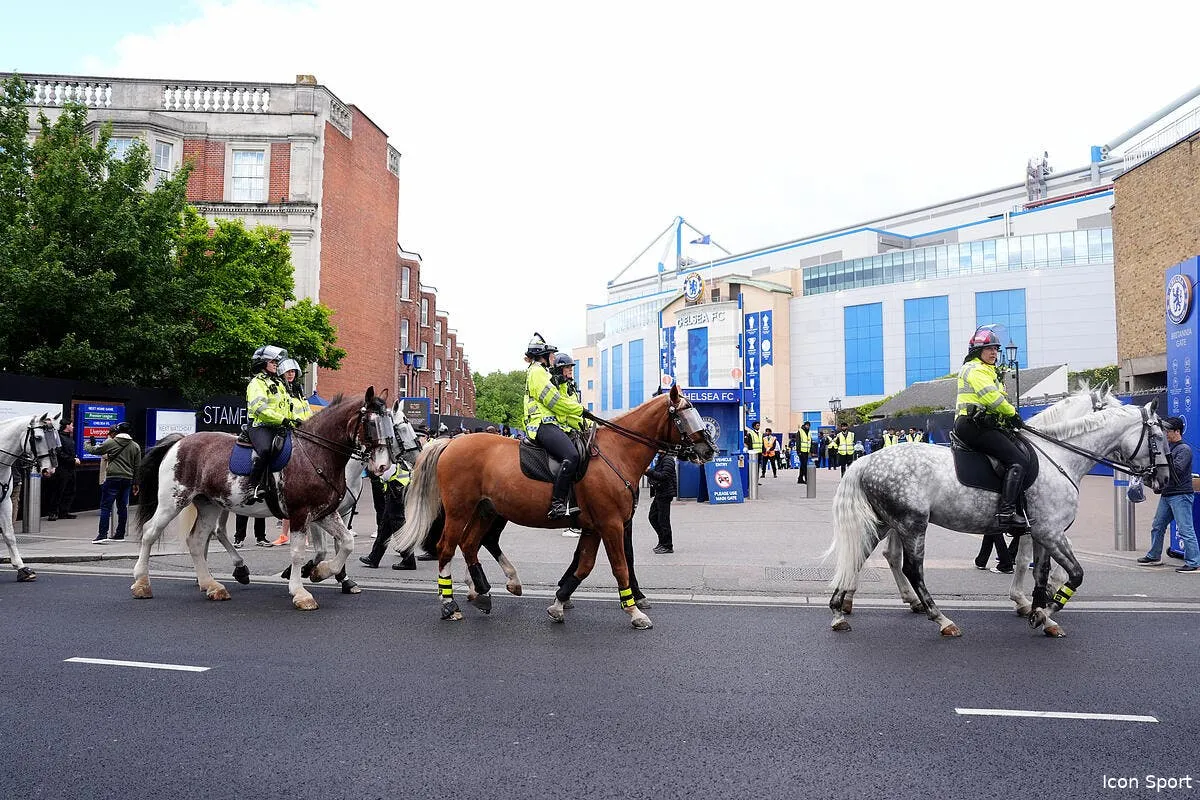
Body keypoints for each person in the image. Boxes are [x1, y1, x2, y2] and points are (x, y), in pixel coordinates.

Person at [953, 325, 1031, 530]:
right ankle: (1006, 513)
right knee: (1018, 460)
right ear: (978, 351)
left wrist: (1007, 419)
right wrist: (1012, 414)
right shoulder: (974, 369)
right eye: (989, 349)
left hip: (984, 423)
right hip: (972, 425)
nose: (994, 353)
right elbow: (992, 399)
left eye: (996, 349)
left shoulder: (990, 371)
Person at [523, 334, 585, 520]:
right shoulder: (537, 372)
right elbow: (555, 402)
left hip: (549, 423)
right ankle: (557, 503)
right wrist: (581, 410)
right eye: (551, 354)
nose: (553, 358)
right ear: (543, 355)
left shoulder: (542, 372)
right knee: (571, 456)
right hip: (541, 424)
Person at [1137, 416, 1200, 572]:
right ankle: (1154, 556)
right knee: (1157, 526)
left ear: (1177, 431)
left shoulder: (1184, 449)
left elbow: (1176, 471)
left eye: (1168, 431)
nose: (1165, 434)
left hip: (1181, 495)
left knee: (1186, 529)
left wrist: (1164, 458)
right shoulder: (1170, 448)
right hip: (1167, 494)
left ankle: (1193, 562)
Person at [269, 358, 310, 546]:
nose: (291, 374)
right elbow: (284, 411)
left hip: (303, 433)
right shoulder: (281, 389)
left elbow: (307, 413)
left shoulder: (300, 392)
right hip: (288, 431)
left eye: (294, 372)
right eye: (288, 372)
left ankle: (302, 533)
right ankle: (284, 534)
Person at [245, 344, 291, 501]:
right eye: (273, 361)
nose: (276, 364)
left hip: (278, 426)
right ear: (262, 363)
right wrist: (282, 419)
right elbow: (259, 408)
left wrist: (294, 420)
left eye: (276, 362)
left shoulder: (279, 384)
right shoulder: (256, 383)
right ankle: (252, 486)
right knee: (265, 449)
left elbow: (286, 406)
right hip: (260, 426)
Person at [84, 421, 141, 543]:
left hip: (112, 478)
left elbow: (95, 451)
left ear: (118, 431)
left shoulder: (111, 442)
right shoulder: (135, 446)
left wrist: (87, 444)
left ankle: (102, 534)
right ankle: (120, 534)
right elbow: (137, 466)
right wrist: (136, 483)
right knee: (122, 507)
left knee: (105, 507)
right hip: (127, 479)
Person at [359, 460, 414, 569]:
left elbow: (381, 473)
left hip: (396, 490)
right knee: (385, 526)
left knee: (397, 525)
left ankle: (409, 560)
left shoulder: (387, 453)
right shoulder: (395, 452)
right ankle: (374, 558)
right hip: (397, 489)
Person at [47, 420, 80, 521]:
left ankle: (64, 512)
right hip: (62, 468)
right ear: (67, 426)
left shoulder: (69, 438)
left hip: (71, 468)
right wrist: (72, 460)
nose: (73, 427)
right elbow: (59, 453)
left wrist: (74, 458)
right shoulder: (59, 437)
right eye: (72, 425)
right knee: (58, 491)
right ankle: (53, 513)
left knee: (70, 490)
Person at [646, 452, 677, 553]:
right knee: (653, 517)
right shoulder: (661, 458)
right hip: (660, 492)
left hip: (665, 493)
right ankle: (662, 540)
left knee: (663, 520)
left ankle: (668, 545)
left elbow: (664, 476)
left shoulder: (668, 459)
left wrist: (649, 471)